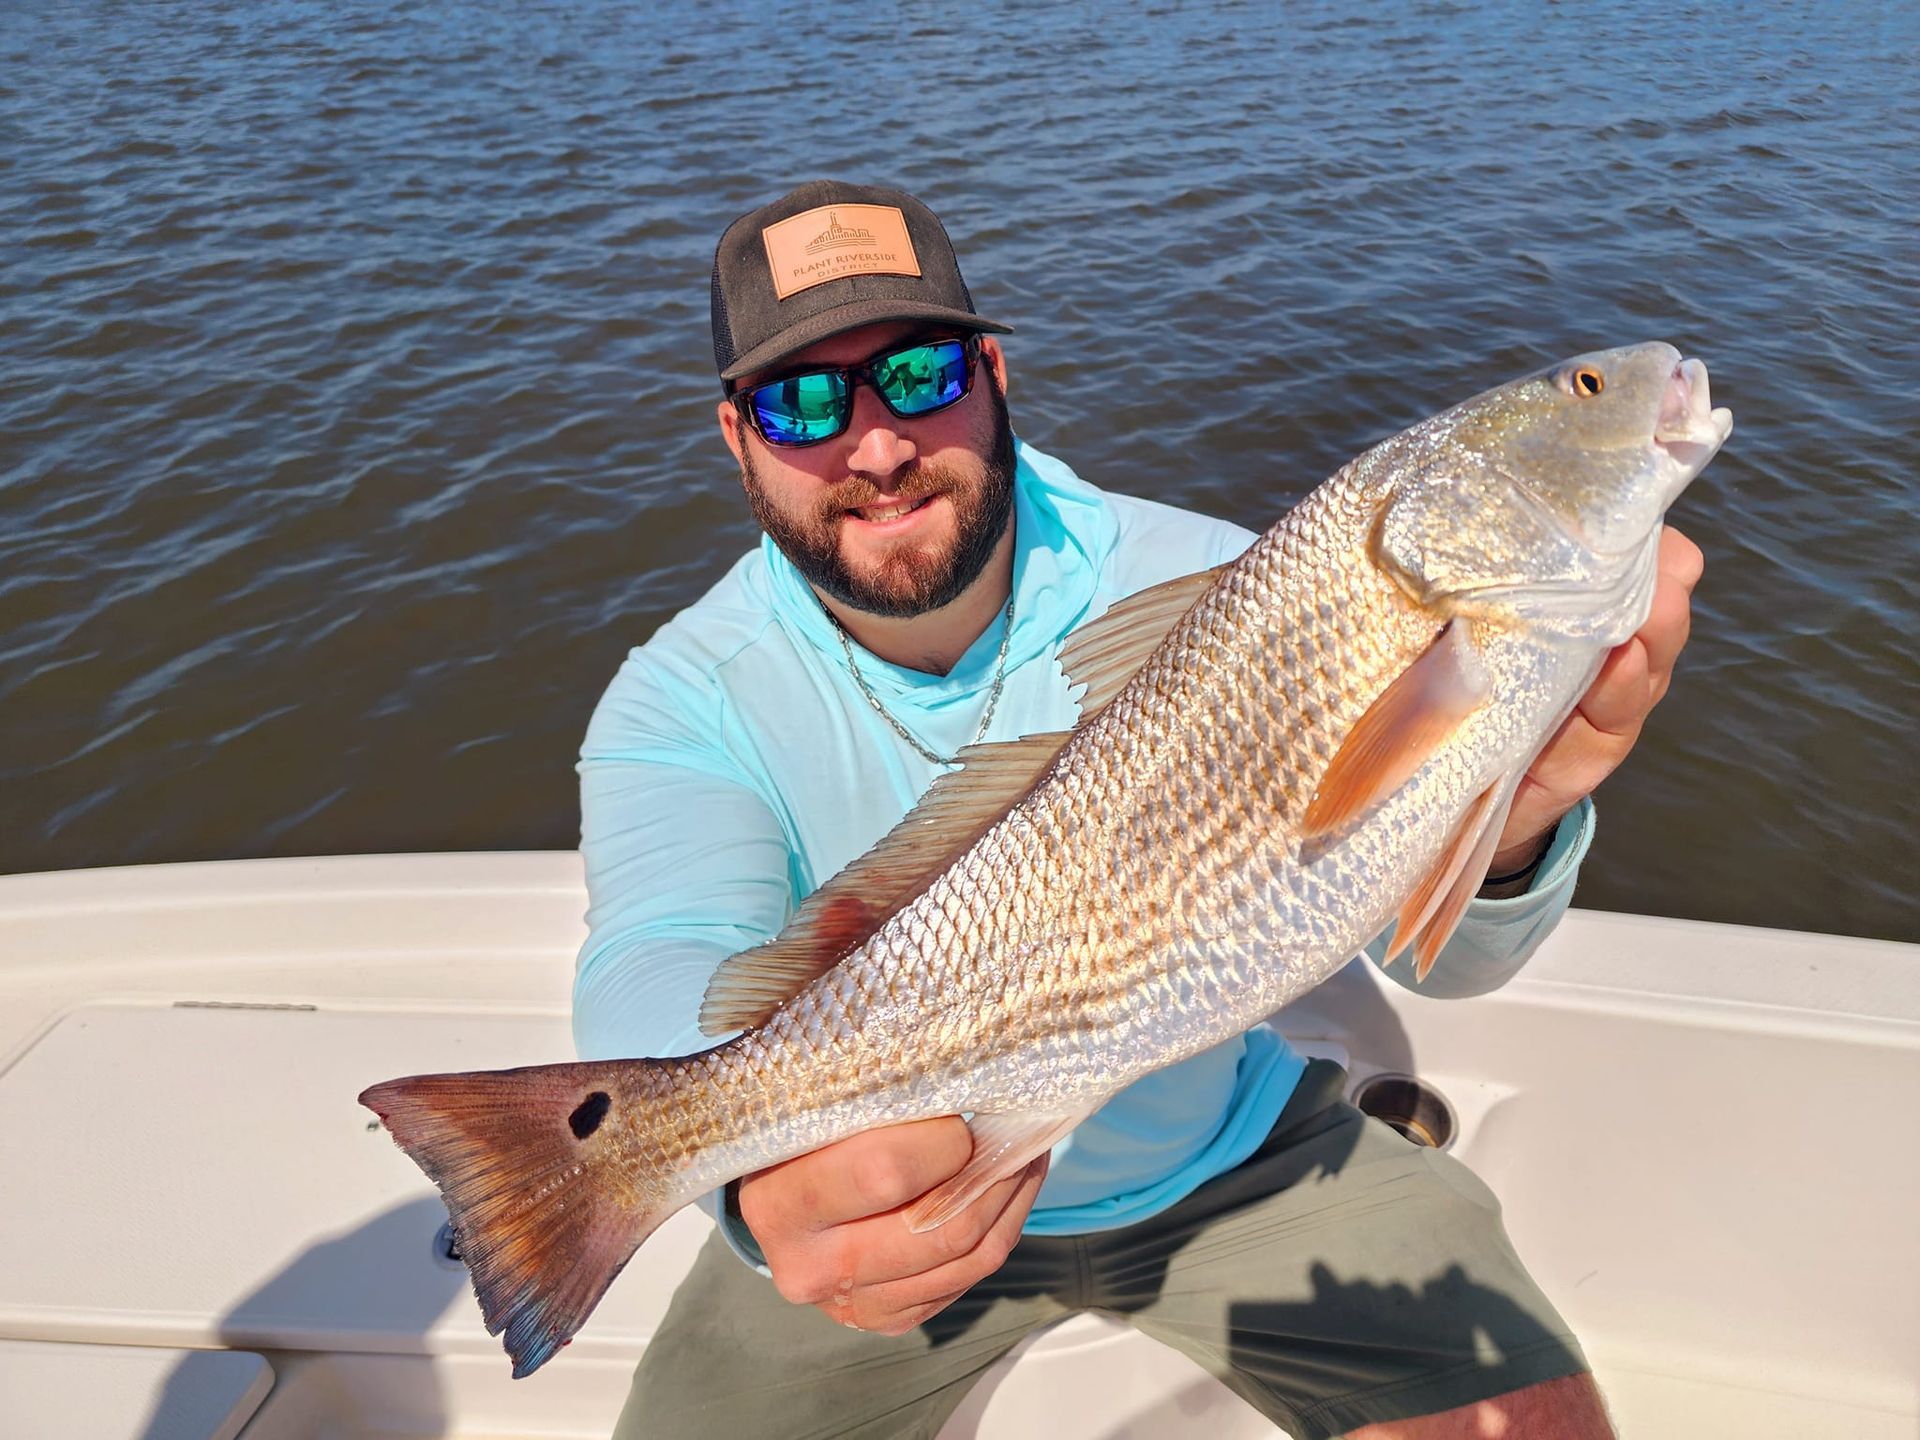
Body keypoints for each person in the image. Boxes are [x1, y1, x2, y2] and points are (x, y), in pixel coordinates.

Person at [572, 181, 1701, 1439]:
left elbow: (1443, 963)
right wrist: (760, 1182)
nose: (878, 446)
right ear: (736, 437)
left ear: (994, 373)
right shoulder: (680, 698)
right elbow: (655, 956)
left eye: (924, 373)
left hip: (1232, 1149)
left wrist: (1518, 818)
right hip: (897, 1182)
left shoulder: (1224, 579)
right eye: (804, 400)